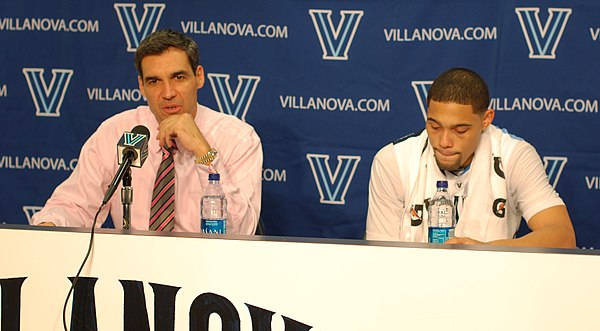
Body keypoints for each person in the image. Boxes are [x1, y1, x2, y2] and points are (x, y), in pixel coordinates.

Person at [31, 29, 263, 234]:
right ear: (141, 86)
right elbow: (75, 205)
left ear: (199, 77)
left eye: (178, 77)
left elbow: (240, 232)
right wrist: (48, 227)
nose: (168, 92)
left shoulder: (238, 139)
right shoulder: (116, 132)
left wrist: (203, 152)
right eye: (154, 81)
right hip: (133, 272)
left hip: (208, 273)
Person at [366, 68, 575, 248]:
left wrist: (485, 251)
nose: (444, 141)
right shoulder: (393, 160)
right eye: (434, 126)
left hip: (493, 284)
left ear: (486, 119)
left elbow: (563, 237)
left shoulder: (514, 155)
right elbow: (380, 255)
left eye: (460, 130)